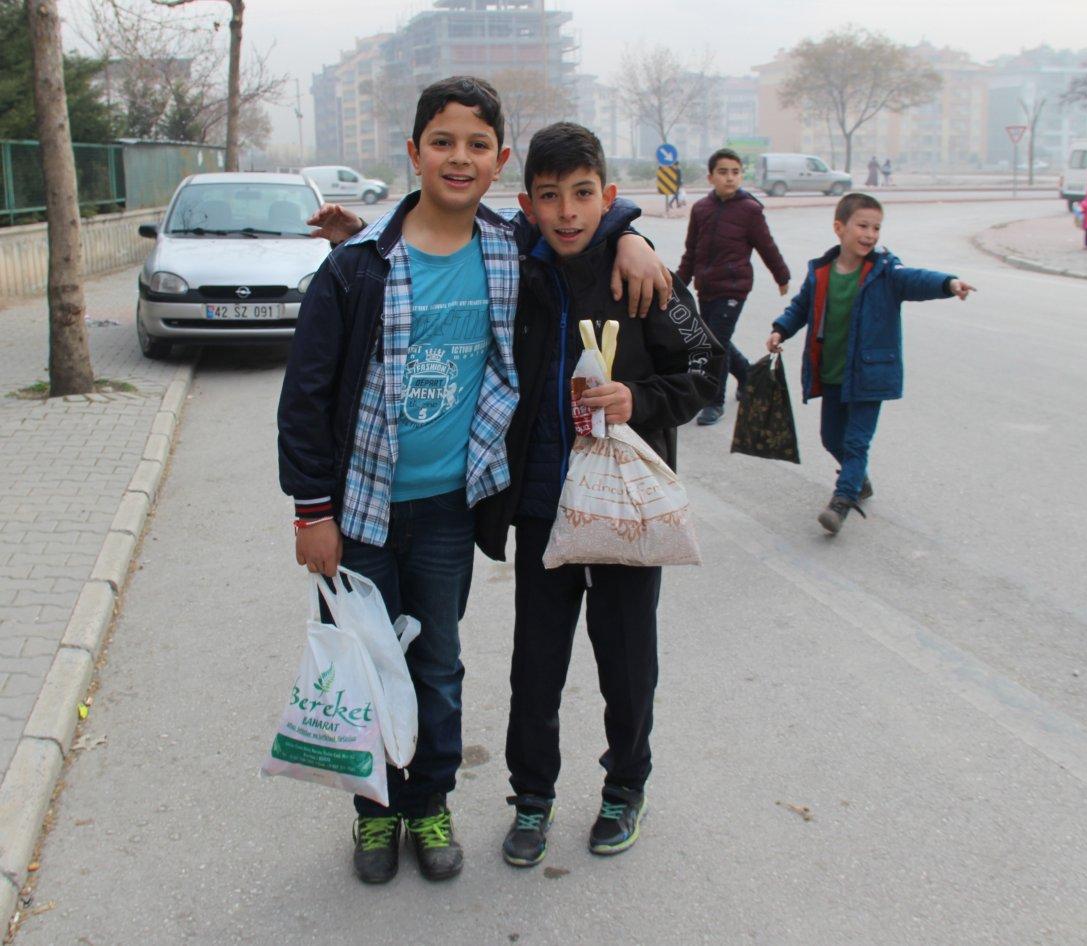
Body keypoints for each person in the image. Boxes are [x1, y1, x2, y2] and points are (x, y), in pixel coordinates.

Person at [277, 76, 670, 887]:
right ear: (415, 151)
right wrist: (310, 513)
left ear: (497, 168)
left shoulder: (507, 250)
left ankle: (430, 803)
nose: (460, 158)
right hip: (357, 512)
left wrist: (636, 236)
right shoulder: (358, 269)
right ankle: (376, 815)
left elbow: (585, 233)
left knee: (438, 668)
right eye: (444, 142)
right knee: (367, 663)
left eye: (478, 145)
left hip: (452, 509)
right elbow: (305, 400)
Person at [472, 122, 721, 867]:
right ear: (529, 203)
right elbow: (435, 231)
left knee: (627, 664)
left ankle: (625, 788)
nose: (569, 213)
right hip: (543, 511)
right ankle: (532, 801)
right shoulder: (515, 265)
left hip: (623, 515)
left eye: (583, 194)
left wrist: (636, 399)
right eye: (551, 198)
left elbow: (709, 366)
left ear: (608, 195)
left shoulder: (645, 275)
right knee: (535, 669)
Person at [765, 193, 975, 536]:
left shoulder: (886, 272)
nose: (871, 234)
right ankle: (858, 478)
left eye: (876, 228)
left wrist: (949, 283)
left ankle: (842, 501)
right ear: (839, 227)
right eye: (863, 226)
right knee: (831, 437)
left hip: (870, 374)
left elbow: (917, 279)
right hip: (831, 372)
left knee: (856, 442)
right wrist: (780, 329)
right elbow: (801, 307)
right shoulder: (821, 272)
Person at [677, 148, 790, 426]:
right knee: (719, 340)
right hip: (707, 287)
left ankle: (714, 402)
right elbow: (691, 251)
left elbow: (767, 246)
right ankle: (748, 376)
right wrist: (678, 285)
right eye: (723, 172)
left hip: (734, 288)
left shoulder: (749, 210)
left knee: (715, 344)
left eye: (735, 172)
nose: (730, 178)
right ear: (710, 177)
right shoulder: (701, 209)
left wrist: (781, 275)